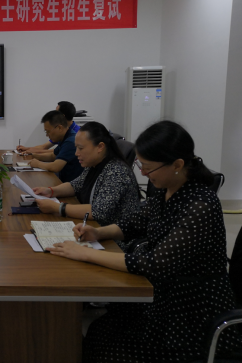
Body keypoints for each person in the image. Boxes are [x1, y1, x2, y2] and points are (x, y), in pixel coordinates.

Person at [48, 121, 242, 363]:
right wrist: (97, 233)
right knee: (99, 331)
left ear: (177, 165)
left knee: (108, 348)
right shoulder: (166, 190)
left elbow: (154, 263)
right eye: (141, 165)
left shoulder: (200, 204)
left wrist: (85, 253)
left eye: (148, 168)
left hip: (191, 315)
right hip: (162, 296)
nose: (142, 173)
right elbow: (133, 224)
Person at [33, 122, 139, 226]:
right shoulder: (94, 164)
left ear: (100, 147)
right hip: (95, 228)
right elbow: (75, 185)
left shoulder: (117, 172)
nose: (76, 153)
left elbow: (98, 211)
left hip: (111, 235)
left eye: (81, 148)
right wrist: (51, 191)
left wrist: (57, 207)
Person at [25, 110, 83, 182]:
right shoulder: (65, 137)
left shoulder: (70, 141)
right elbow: (53, 156)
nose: (47, 135)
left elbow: (56, 167)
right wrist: (33, 156)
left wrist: (38, 164)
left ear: (59, 128)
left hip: (71, 185)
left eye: (48, 131)